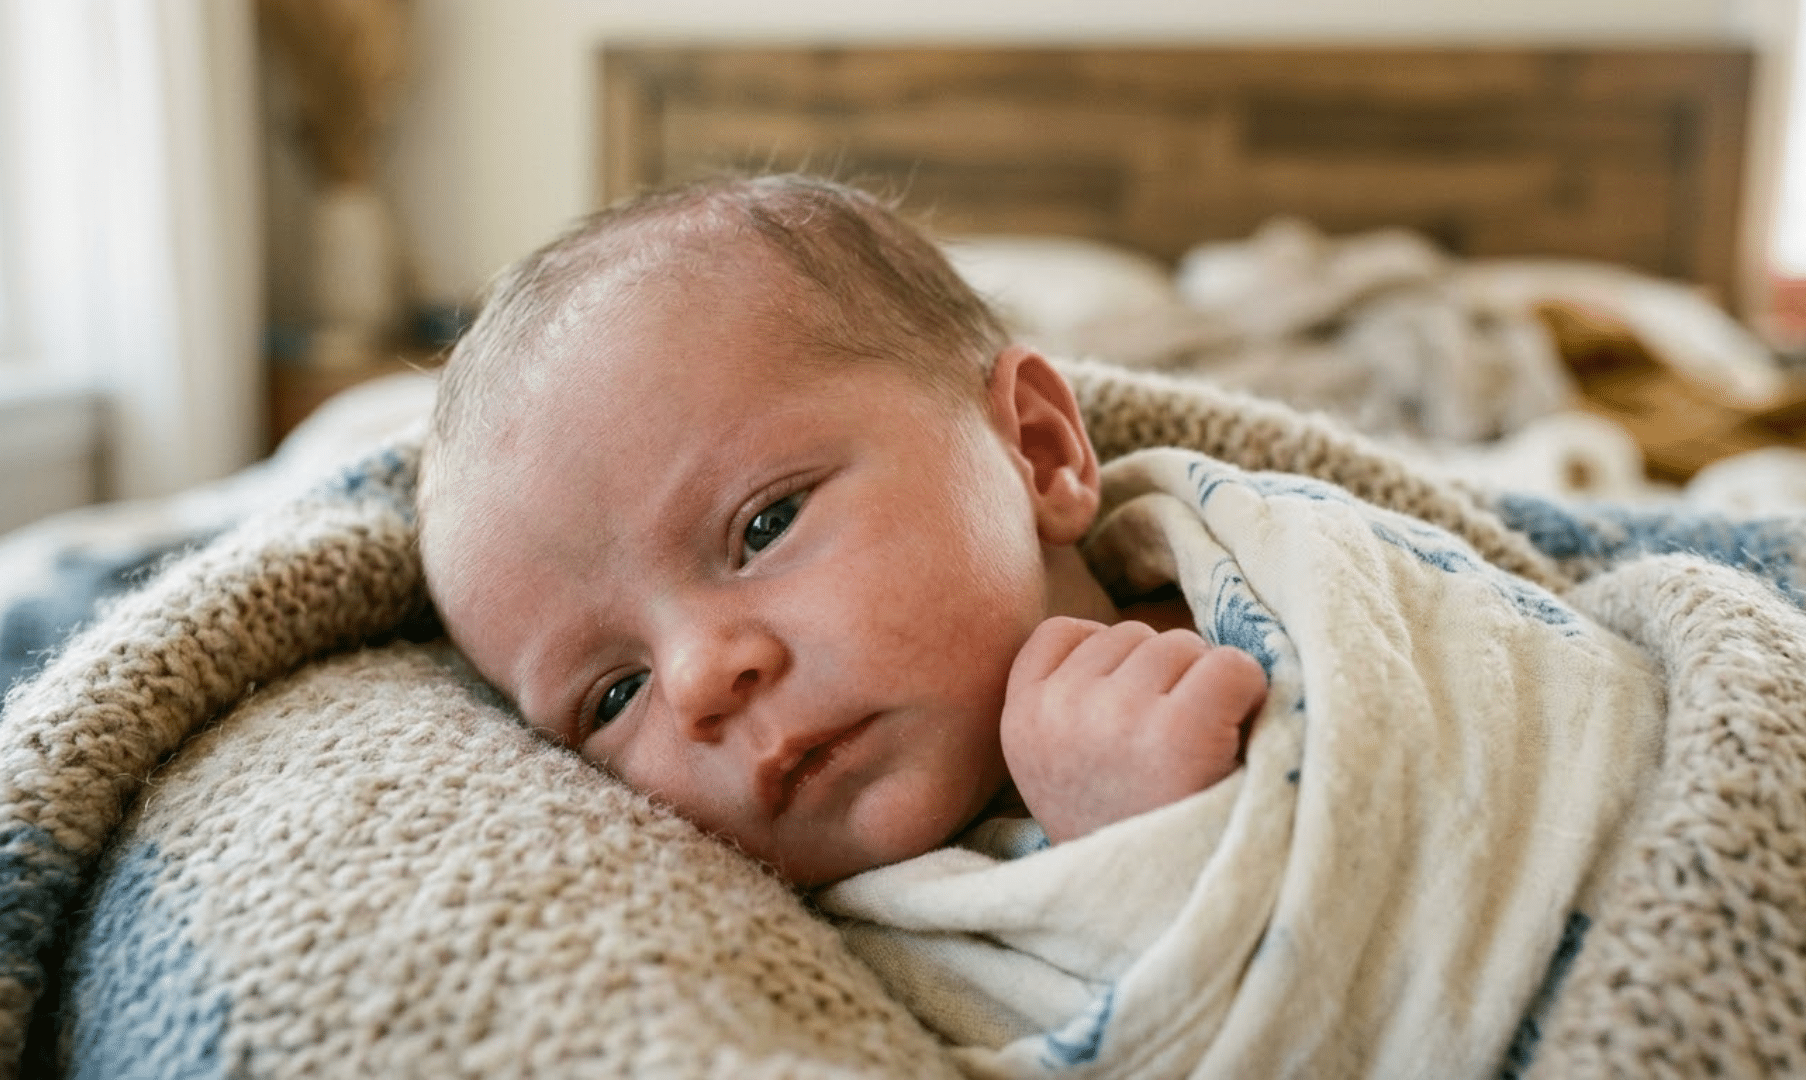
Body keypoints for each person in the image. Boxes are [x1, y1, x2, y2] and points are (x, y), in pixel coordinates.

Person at [417, 174, 1268, 887]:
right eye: (613, 696)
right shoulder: (785, 957)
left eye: (766, 525)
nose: (698, 679)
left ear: (1040, 452)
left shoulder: (1275, 601)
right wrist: (1130, 863)